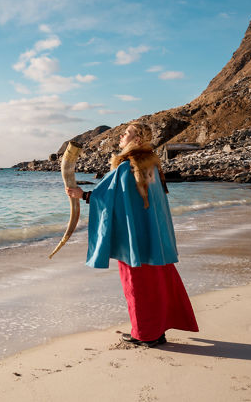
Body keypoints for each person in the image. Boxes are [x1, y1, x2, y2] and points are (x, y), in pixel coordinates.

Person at [66, 122, 198, 347]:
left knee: (136, 283)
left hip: (134, 238)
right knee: (157, 281)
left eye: (126, 133)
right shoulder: (152, 166)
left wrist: (83, 195)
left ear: (137, 140)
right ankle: (157, 330)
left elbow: (109, 197)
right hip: (153, 235)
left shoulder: (128, 167)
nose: (121, 137)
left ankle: (144, 334)